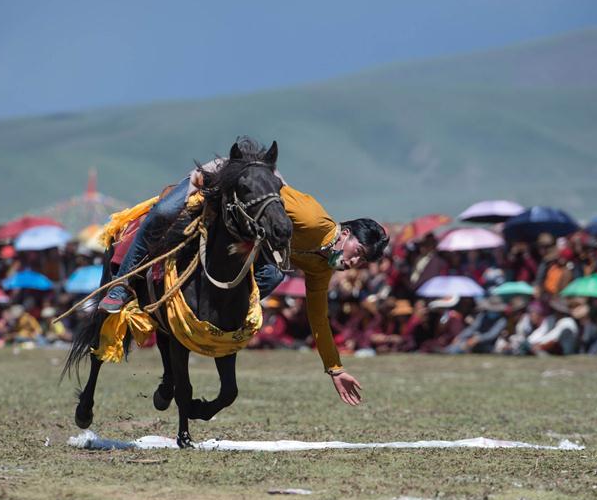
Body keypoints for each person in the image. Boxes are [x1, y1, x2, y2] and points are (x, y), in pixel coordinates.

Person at [98, 137, 389, 406]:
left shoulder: (320, 267)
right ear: (346, 234)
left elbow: (318, 319)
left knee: (273, 274)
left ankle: (227, 316)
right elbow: (262, 193)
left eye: (361, 263)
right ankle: (121, 286)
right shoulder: (311, 219)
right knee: (161, 214)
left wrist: (335, 368)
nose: (354, 264)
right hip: (223, 177)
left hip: (249, 215)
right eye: (358, 254)